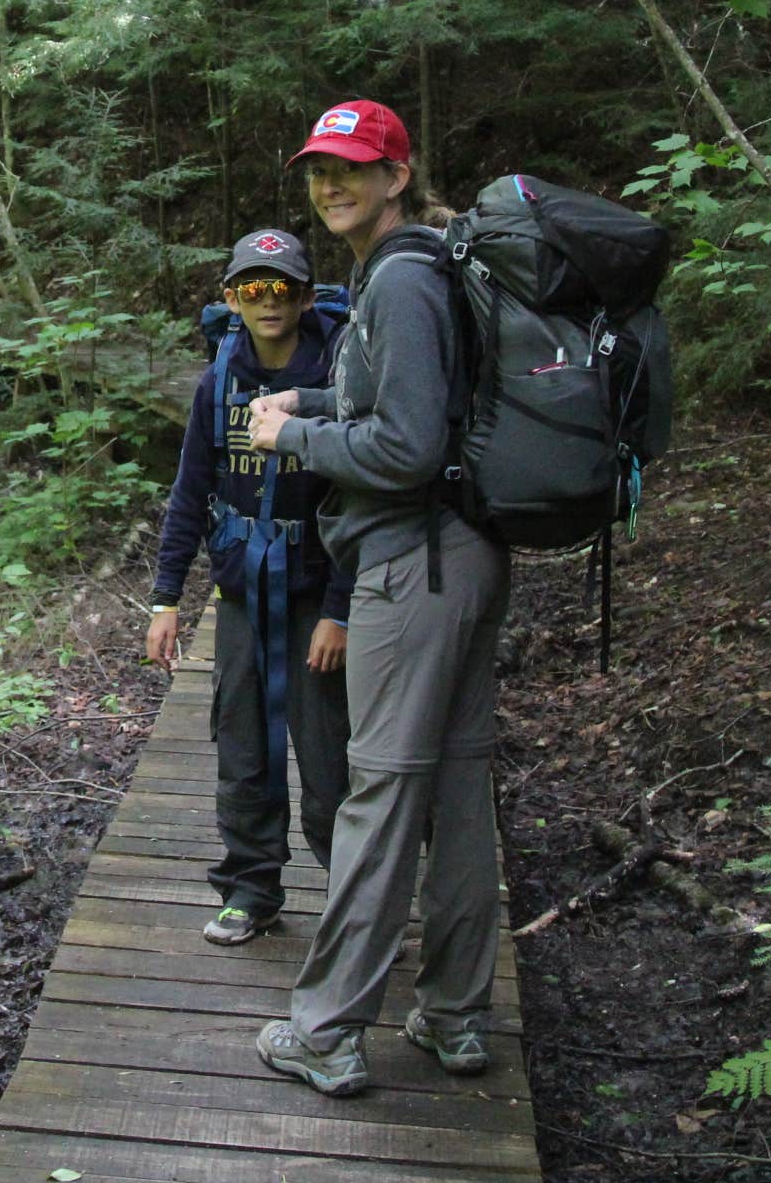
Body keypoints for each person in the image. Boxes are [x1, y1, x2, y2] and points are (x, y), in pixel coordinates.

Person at [247, 99, 512, 1094]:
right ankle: (453, 1015)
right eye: (319, 170)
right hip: (468, 556)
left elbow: (404, 449)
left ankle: (327, 1030)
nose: (332, 186)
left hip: (415, 564)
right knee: (455, 791)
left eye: (353, 168)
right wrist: (309, 400)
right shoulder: (425, 270)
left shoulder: (401, 282)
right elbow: (410, 399)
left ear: (398, 176)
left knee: (380, 797)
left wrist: (291, 439)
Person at [146, 229, 352, 945]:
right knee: (241, 745)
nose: (270, 301)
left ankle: (354, 898)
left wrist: (340, 611)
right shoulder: (220, 379)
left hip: (314, 598)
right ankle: (251, 889)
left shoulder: (338, 381)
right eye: (253, 289)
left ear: (304, 294)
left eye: (284, 288)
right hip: (240, 597)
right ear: (232, 299)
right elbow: (190, 492)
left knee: (330, 756)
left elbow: (363, 502)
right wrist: (166, 599)